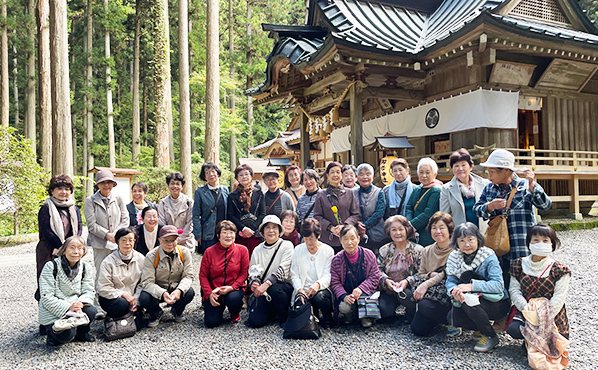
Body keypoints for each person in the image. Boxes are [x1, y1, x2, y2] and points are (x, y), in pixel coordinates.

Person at [474, 149, 552, 279]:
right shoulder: (489, 188)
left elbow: (545, 206)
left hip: (521, 246)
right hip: (497, 247)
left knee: (522, 284)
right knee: (500, 284)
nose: (489, 175)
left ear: (505, 170)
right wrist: (490, 206)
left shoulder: (526, 185)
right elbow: (477, 210)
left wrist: (533, 187)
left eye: (492, 172)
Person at [446, 223, 510, 352]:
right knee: (452, 317)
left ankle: (490, 335)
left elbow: (498, 285)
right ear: (456, 242)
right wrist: (454, 291)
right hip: (469, 300)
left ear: (478, 239)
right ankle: (479, 328)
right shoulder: (454, 257)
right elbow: (450, 281)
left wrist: (470, 286)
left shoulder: (488, 255)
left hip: (496, 302)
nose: (467, 244)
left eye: (470, 239)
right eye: (462, 240)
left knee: (467, 283)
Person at [507, 224, 571, 340]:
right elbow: (514, 290)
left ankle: (534, 339)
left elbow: (559, 297)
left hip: (552, 314)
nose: (540, 243)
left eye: (545, 240)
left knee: (554, 341)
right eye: (536, 240)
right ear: (529, 243)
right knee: (514, 329)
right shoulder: (519, 264)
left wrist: (543, 317)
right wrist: (526, 308)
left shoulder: (559, 269)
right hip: (527, 310)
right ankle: (530, 339)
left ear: (552, 244)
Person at [396, 212, 455, 336]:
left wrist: (426, 283)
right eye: (434, 228)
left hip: (448, 294)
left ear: (449, 229)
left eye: (441, 227)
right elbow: (420, 274)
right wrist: (429, 275)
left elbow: (449, 274)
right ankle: (434, 318)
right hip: (430, 294)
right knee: (418, 329)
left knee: (423, 305)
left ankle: (452, 320)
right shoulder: (427, 250)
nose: (437, 231)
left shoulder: (456, 250)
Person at [38, 236, 96, 346]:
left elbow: (88, 290)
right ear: (64, 250)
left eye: (80, 248)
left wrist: (79, 304)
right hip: (55, 308)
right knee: (67, 335)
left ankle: (82, 333)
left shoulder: (85, 267)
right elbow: (46, 296)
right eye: (72, 248)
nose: (76, 251)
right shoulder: (51, 267)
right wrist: (68, 307)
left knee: (91, 310)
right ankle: (52, 334)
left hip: (76, 305)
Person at [36, 175, 83, 306]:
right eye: (60, 188)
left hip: (71, 250)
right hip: (49, 250)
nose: (64, 192)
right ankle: (46, 317)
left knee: (69, 282)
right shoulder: (46, 208)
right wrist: (63, 248)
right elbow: (47, 231)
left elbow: (79, 227)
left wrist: (73, 245)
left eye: (67, 189)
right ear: (52, 191)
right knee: (48, 282)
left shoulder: (74, 208)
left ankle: (69, 311)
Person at [140, 225, 195, 328]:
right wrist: (162, 293)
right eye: (166, 240)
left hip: (176, 289)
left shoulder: (184, 252)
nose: (170, 244)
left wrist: (179, 290)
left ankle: (177, 310)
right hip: (158, 290)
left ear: (177, 240)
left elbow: (188, 276)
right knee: (144, 297)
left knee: (189, 292)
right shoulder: (151, 256)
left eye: (173, 240)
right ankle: (156, 313)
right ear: (159, 240)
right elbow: (147, 282)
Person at [84, 170, 129, 292]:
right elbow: (91, 224)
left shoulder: (118, 198)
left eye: (109, 182)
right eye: (102, 182)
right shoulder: (90, 201)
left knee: (118, 273)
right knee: (102, 272)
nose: (106, 185)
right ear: (97, 184)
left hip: (118, 243)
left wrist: (117, 235)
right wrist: (107, 235)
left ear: (113, 184)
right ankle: (99, 303)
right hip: (100, 244)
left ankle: (119, 302)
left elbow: (125, 218)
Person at [247, 215, 294, 328]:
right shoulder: (258, 249)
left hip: (282, 287)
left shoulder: (287, 246)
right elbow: (253, 271)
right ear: (263, 231)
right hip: (264, 289)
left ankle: (284, 317)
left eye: (274, 227)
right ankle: (272, 313)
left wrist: (265, 285)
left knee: (275, 289)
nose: (271, 230)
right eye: (267, 227)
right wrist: (254, 282)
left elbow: (282, 271)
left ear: (279, 231)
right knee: (255, 322)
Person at [199, 221, 249, 328]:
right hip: (214, 289)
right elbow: (203, 275)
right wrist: (209, 293)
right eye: (224, 232)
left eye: (231, 232)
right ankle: (218, 307)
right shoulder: (209, 252)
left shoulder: (242, 250)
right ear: (218, 235)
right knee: (211, 322)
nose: (228, 236)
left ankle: (234, 312)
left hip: (233, 288)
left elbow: (244, 273)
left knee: (233, 299)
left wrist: (232, 287)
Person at [330, 225, 381, 328]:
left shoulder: (369, 254)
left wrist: (361, 288)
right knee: (344, 307)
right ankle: (349, 315)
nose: (349, 242)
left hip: (365, 293)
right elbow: (335, 282)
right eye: (345, 239)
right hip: (348, 293)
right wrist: (344, 296)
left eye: (352, 238)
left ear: (358, 239)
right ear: (340, 241)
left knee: (368, 302)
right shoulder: (336, 259)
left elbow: (375, 276)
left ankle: (365, 317)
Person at [376, 215, 423, 322]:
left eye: (401, 229)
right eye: (394, 230)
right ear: (389, 232)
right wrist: (386, 281)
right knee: (384, 310)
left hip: (409, 289)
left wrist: (407, 281)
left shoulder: (418, 250)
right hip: (389, 289)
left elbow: (422, 273)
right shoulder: (384, 250)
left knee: (406, 296)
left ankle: (410, 312)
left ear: (407, 230)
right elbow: (377, 270)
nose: (398, 233)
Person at [290, 218, 335, 328]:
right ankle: (312, 316)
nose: (309, 242)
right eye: (306, 238)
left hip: (320, 289)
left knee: (320, 297)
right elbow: (294, 274)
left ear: (318, 236)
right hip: (303, 289)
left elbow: (328, 274)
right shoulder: (298, 250)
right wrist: (299, 290)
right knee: (299, 307)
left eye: (312, 238)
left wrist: (318, 284)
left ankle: (327, 318)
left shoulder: (328, 250)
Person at [97, 227, 144, 329]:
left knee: (139, 325)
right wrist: (123, 294)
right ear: (117, 242)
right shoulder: (108, 261)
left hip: (134, 297)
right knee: (122, 304)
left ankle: (129, 315)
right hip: (113, 298)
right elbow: (103, 288)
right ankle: (117, 317)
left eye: (131, 240)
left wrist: (136, 300)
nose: (127, 243)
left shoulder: (141, 259)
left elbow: (142, 283)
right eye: (123, 240)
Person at [314, 162, 360, 253]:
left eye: (338, 172)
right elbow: (317, 216)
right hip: (327, 238)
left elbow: (355, 214)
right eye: (332, 172)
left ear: (341, 175)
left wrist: (345, 226)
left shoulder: (349, 193)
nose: (335, 175)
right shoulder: (321, 194)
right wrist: (330, 227)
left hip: (347, 239)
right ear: (327, 175)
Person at [440, 149, 490, 233]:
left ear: (471, 167)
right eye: (456, 166)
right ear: (452, 168)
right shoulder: (446, 189)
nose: (460, 169)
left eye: (463, 165)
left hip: (483, 232)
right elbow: (445, 216)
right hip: (460, 235)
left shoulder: (484, 184)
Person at [228, 164, 266, 256]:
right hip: (239, 233)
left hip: (255, 232)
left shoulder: (259, 193)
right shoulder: (232, 196)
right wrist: (243, 228)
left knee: (255, 258)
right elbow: (230, 215)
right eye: (240, 175)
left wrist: (252, 228)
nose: (244, 177)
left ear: (251, 176)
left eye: (246, 174)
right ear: (237, 178)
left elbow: (263, 213)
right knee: (239, 258)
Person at [192, 162, 229, 254]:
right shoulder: (200, 192)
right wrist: (198, 234)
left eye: (213, 171)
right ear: (204, 177)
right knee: (209, 260)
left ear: (218, 173)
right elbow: (195, 215)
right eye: (207, 172)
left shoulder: (225, 189)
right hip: (208, 233)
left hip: (224, 232)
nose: (211, 174)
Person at [405, 157, 441, 246]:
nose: (424, 175)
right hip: (412, 232)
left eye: (427, 172)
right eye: (421, 172)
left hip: (427, 232)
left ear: (434, 174)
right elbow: (409, 207)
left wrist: (412, 226)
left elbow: (428, 213)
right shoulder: (417, 189)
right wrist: (409, 223)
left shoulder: (436, 190)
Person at [354, 163, 386, 254]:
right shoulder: (352, 193)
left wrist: (364, 226)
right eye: (361, 174)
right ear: (357, 177)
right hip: (357, 231)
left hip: (376, 232)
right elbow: (349, 211)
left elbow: (379, 212)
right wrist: (357, 223)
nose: (365, 177)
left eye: (368, 174)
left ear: (372, 176)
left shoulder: (379, 192)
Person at [158, 172, 195, 250]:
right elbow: (162, 224)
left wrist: (179, 239)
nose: (175, 186)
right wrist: (171, 240)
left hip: (186, 242)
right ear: (168, 185)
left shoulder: (189, 202)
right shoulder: (163, 203)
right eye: (172, 183)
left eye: (178, 184)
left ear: (182, 186)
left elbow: (190, 223)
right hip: (168, 243)